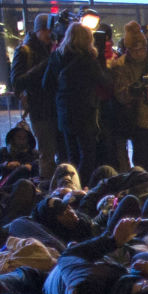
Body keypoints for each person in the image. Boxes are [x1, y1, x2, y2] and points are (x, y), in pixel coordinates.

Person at [43, 20, 109, 181]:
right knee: (87, 154)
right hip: (85, 112)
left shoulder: (56, 57)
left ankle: (71, 185)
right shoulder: (88, 61)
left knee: (71, 154)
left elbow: (46, 83)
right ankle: (84, 185)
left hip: (64, 112)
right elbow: (105, 82)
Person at [107, 20, 148, 175]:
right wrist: (132, 91)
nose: (139, 53)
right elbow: (120, 95)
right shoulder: (121, 65)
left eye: (142, 49)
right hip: (139, 123)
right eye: (135, 50)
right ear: (128, 49)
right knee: (143, 164)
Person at [9, 14, 56, 176]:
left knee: (60, 154)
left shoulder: (53, 48)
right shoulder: (25, 51)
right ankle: (47, 188)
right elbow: (17, 81)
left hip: (56, 108)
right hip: (40, 109)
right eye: (46, 31)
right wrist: (45, 64)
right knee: (47, 153)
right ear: (39, 30)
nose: (49, 35)